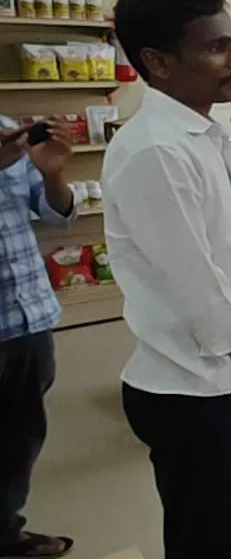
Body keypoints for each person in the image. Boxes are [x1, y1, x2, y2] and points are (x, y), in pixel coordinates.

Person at [104, 0, 231, 559]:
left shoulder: (200, 136)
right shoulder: (156, 151)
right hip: (189, 390)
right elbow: (196, 290)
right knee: (206, 542)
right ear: (158, 62)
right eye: (217, 48)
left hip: (229, 379)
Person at [0, 117, 74, 559]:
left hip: (27, 319)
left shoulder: (8, 128)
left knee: (20, 437)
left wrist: (53, 173)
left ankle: (7, 534)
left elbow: (55, 213)